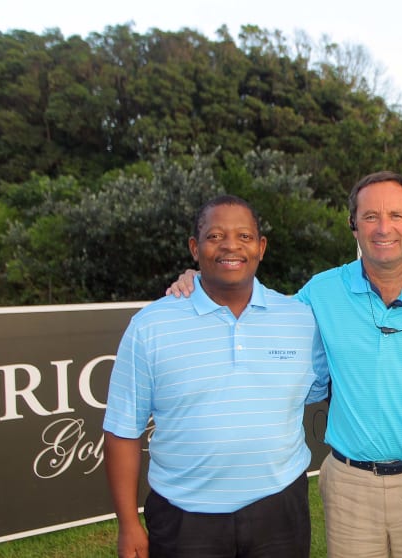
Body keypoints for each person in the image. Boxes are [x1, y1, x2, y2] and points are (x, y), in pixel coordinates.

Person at [167, 172, 402, 558]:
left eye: (395, 216)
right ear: (354, 225)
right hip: (349, 484)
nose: (383, 228)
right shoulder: (320, 291)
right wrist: (200, 277)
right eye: (370, 216)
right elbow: (256, 309)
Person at [103, 195, 329, 558]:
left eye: (244, 236)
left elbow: (316, 388)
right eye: (214, 236)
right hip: (184, 518)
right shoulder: (151, 326)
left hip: (280, 510)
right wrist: (128, 524)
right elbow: (121, 431)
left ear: (261, 247)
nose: (230, 246)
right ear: (195, 248)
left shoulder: (299, 319)